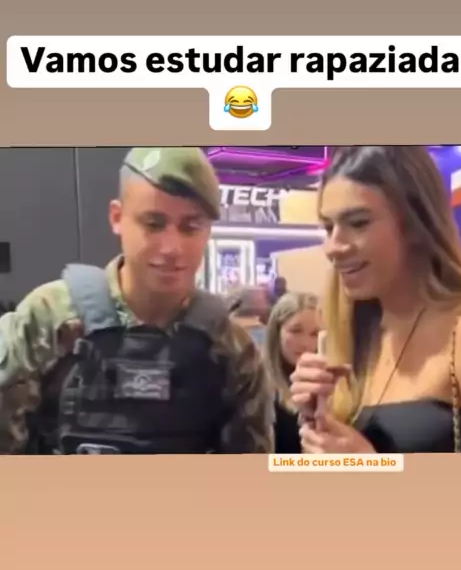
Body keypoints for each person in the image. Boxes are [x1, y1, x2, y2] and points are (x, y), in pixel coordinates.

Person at [0, 146, 274, 454]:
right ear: (117, 218)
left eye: (190, 227)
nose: (171, 247)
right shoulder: (48, 319)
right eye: (153, 224)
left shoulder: (229, 347)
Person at [289, 145, 461, 453]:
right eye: (328, 227)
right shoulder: (353, 335)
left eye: (358, 223)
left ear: (416, 224)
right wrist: (317, 419)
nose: (333, 247)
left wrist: (373, 467)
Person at [263, 292, 320, 453]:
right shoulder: (257, 385)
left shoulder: (329, 384)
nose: (305, 343)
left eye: (315, 334)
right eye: (296, 331)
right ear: (277, 332)